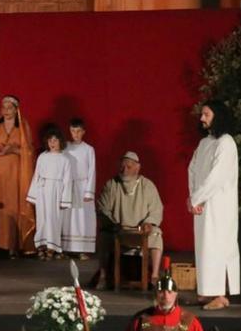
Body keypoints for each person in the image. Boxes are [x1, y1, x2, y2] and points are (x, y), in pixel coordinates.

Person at [189, 100, 240, 311]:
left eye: (206, 114)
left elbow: (216, 177)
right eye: (202, 114)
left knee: (218, 245)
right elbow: (192, 170)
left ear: (217, 116)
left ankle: (220, 294)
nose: (202, 118)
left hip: (219, 204)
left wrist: (197, 198)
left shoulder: (226, 143)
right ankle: (207, 291)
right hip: (202, 204)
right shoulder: (205, 143)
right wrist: (193, 198)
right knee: (204, 247)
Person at [93, 151, 164, 289]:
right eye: (122, 167)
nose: (125, 170)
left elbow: (156, 209)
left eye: (129, 167)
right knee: (103, 235)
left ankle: (154, 276)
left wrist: (148, 222)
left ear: (137, 168)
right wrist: (113, 224)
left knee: (156, 234)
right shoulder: (112, 185)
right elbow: (102, 208)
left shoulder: (147, 185)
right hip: (118, 229)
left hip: (141, 231)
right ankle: (103, 275)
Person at [0, 95, 35, 258]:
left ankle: (13, 244)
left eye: (9, 107)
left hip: (15, 171)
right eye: (3, 107)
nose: (6, 111)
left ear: (16, 108)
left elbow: (29, 150)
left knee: (13, 205)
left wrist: (13, 150)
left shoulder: (23, 125)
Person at [26, 126, 72, 260]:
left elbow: (67, 181)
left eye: (55, 140)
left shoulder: (65, 159)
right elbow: (37, 175)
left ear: (60, 141)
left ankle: (52, 247)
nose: (52, 143)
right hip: (42, 189)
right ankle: (41, 246)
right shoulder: (42, 157)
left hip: (56, 191)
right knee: (42, 219)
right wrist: (33, 195)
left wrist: (64, 199)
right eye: (50, 140)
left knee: (54, 219)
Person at [61, 118, 97, 258]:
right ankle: (67, 248)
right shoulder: (65, 147)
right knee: (68, 217)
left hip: (83, 187)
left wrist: (89, 191)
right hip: (69, 186)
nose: (75, 134)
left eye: (78, 131)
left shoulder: (89, 149)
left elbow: (92, 170)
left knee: (82, 218)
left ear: (83, 132)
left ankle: (83, 249)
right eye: (72, 131)